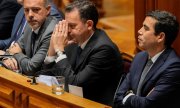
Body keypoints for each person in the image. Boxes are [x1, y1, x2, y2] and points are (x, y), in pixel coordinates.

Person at [39, 0, 123, 106]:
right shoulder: (75, 41)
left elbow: (75, 85)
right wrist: (52, 50)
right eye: (66, 25)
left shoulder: (104, 49)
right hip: (72, 101)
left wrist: (59, 51)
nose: (67, 31)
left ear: (89, 25)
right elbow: (47, 77)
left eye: (72, 26)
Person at [113, 10, 180, 108]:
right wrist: (135, 98)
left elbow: (147, 105)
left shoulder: (173, 67)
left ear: (160, 37)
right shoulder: (139, 57)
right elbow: (118, 97)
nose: (139, 31)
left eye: (146, 28)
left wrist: (128, 97)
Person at [2, 0, 58, 75]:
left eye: (36, 10)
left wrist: (16, 54)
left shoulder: (52, 30)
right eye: (26, 10)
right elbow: (12, 49)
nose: (30, 15)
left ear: (47, 10)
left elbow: (31, 68)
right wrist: (6, 58)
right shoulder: (31, 24)